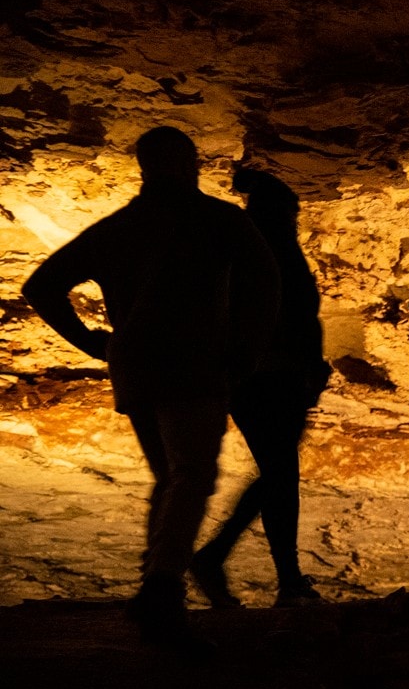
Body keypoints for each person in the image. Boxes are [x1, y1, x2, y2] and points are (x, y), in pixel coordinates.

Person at [21, 126, 278, 649]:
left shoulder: (118, 227)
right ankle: (162, 585)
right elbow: (267, 284)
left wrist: (94, 343)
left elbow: (40, 286)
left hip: (135, 367)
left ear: (143, 167)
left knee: (169, 476)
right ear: (191, 164)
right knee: (192, 473)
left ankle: (155, 582)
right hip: (193, 363)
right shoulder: (220, 220)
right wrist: (247, 351)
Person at [191, 168, 332, 609]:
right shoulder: (275, 252)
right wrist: (306, 365)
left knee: (277, 472)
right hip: (275, 377)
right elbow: (290, 317)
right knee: (279, 474)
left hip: (255, 377)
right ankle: (267, 574)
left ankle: (256, 569)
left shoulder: (235, 251)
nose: (295, 222)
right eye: (292, 214)